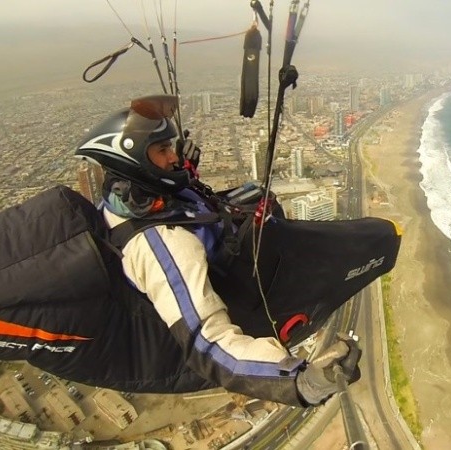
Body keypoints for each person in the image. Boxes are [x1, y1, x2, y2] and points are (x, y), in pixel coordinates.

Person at [74, 94, 361, 406]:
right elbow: (209, 343)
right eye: (162, 150)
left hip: (228, 259)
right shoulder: (162, 244)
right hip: (242, 298)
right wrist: (303, 383)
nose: (172, 157)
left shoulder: (131, 200)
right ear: (134, 163)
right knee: (364, 240)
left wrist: (184, 173)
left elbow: (178, 197)